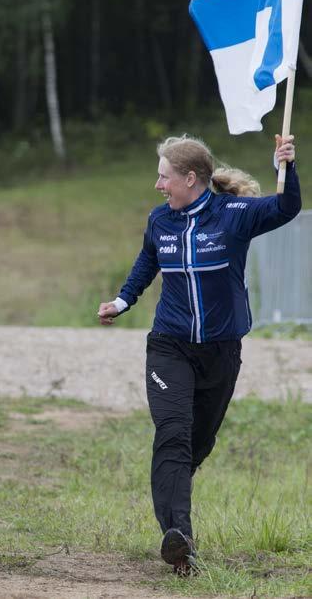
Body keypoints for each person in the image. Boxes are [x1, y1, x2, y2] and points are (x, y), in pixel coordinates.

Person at [97, 133, 300, 575]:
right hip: (169, 346)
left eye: (164, 177)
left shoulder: (234, 216)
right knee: (173, 431)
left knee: (197, 443)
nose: (158, 185)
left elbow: (286, 208)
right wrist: (122, 301)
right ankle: (180, 538)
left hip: (222, 352)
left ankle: (174, 518)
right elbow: (146, 263)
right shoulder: (159, 221)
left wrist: (285, 166)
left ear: (190, 178)